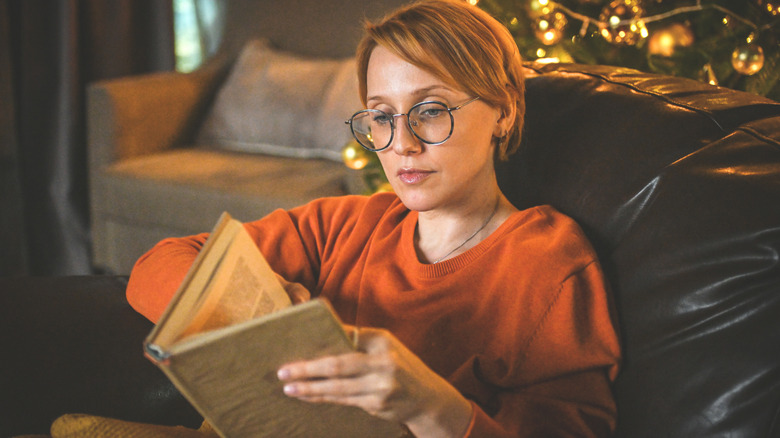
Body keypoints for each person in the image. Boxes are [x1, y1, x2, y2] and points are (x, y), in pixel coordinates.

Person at [126, 0, 621, 436]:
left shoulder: (549, 263)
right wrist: (265, 312)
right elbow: (157, 266)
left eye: (430, 110)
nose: (401, 143)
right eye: (382, 117)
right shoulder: (344, 225)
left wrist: (431, 406)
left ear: (504, 111)